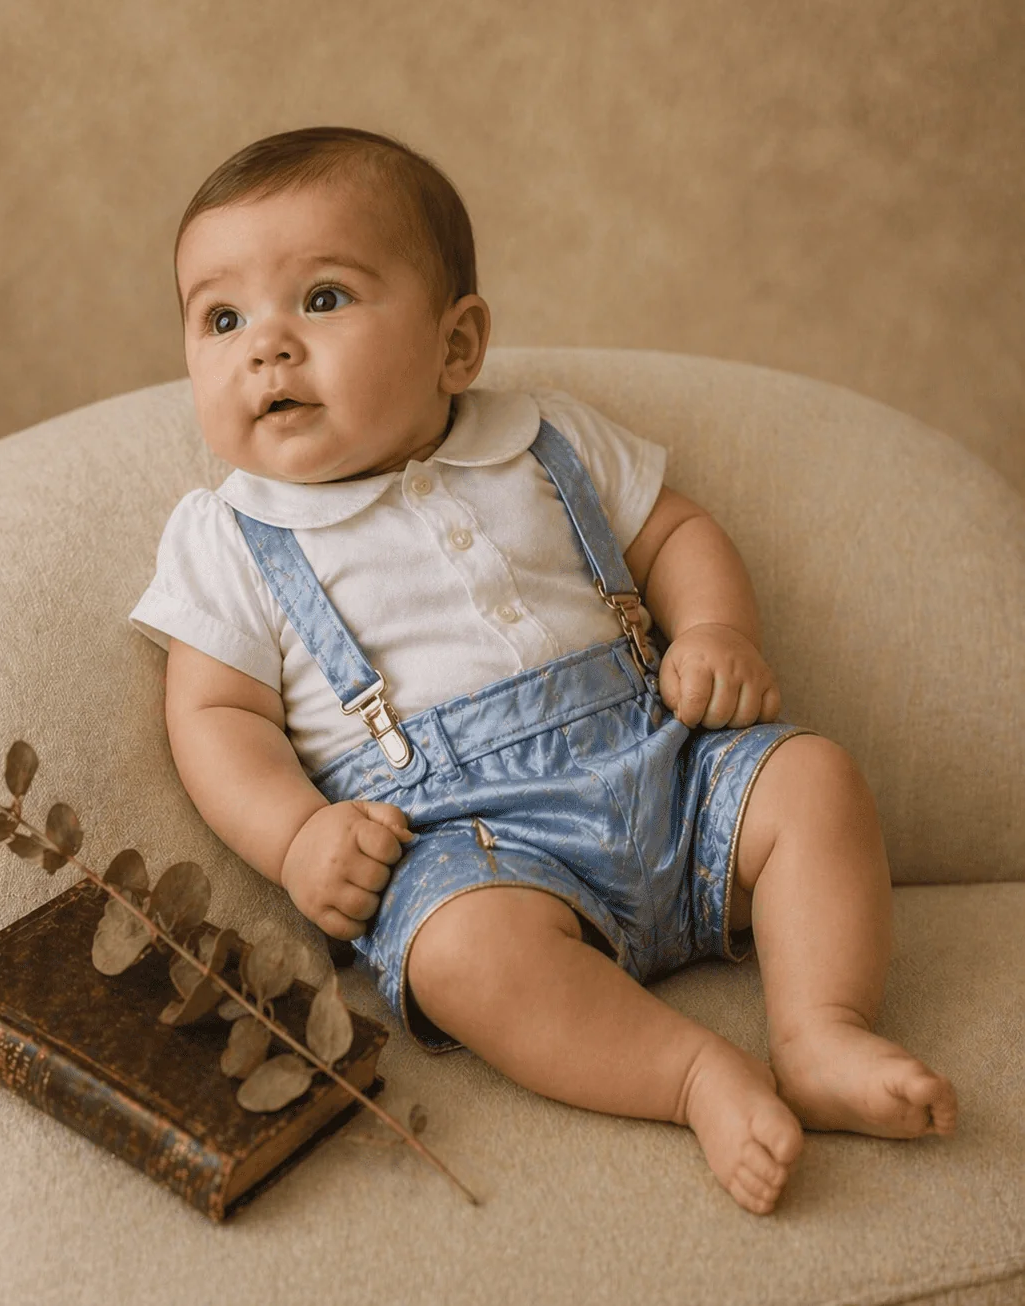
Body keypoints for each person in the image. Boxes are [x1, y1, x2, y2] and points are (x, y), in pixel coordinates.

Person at [129, 126, 957, 1215]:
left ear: (456, 344)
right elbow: (214, 713)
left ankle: (821, 1032)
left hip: (668, 769)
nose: (267, 349)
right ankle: (692, 1074)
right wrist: (295, 839)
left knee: (814, 780)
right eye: (222, 318)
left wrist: (716, 632)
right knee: (463, 956)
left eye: (322, 299)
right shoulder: (230, 536)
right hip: (473, 849)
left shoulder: (543, 439)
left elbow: (673, 531)